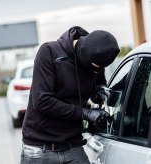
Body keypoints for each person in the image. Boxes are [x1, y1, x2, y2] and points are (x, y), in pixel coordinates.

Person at [20, 26, 120, 164]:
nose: (95, 71)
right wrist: (85, 113)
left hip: (73, 146)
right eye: (94, 67)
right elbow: (42, 101)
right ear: (82, 54)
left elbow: (97, 86)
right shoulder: (49, 52)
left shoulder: (96, 61)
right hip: (40, 149)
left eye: (99, 69)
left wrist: (101, 91)